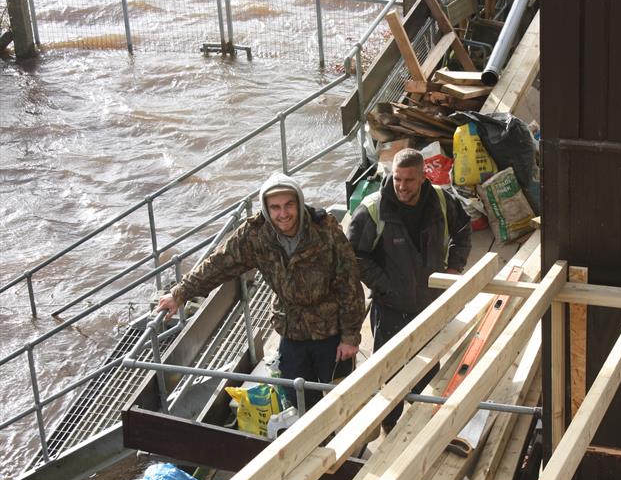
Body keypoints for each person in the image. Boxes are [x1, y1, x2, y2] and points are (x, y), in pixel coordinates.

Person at [157, 173, 365, 410]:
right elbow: (220, 263)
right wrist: (181, 292)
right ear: (266, 209)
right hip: (291, 330)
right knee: (297, 399)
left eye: (289, 205)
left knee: (343, 397)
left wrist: (350, 336)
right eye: (275, 207)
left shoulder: (325, 230)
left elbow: (349, 283)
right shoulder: (255, 235)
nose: (283, 214)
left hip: (331, 330)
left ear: (299, 201)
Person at [347, 148, 472, 432]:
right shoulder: (373, 210)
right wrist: (386, 286)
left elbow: (463, 229)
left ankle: (424, 428)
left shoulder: (440, 200)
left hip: (429, 304)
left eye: (409, 180)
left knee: (428, 370)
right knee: (388, 374)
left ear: (423, 176)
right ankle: (389, 428)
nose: (402, 186)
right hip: (389, 309)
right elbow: (354, 255)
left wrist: (454, 269)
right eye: (397, 179)